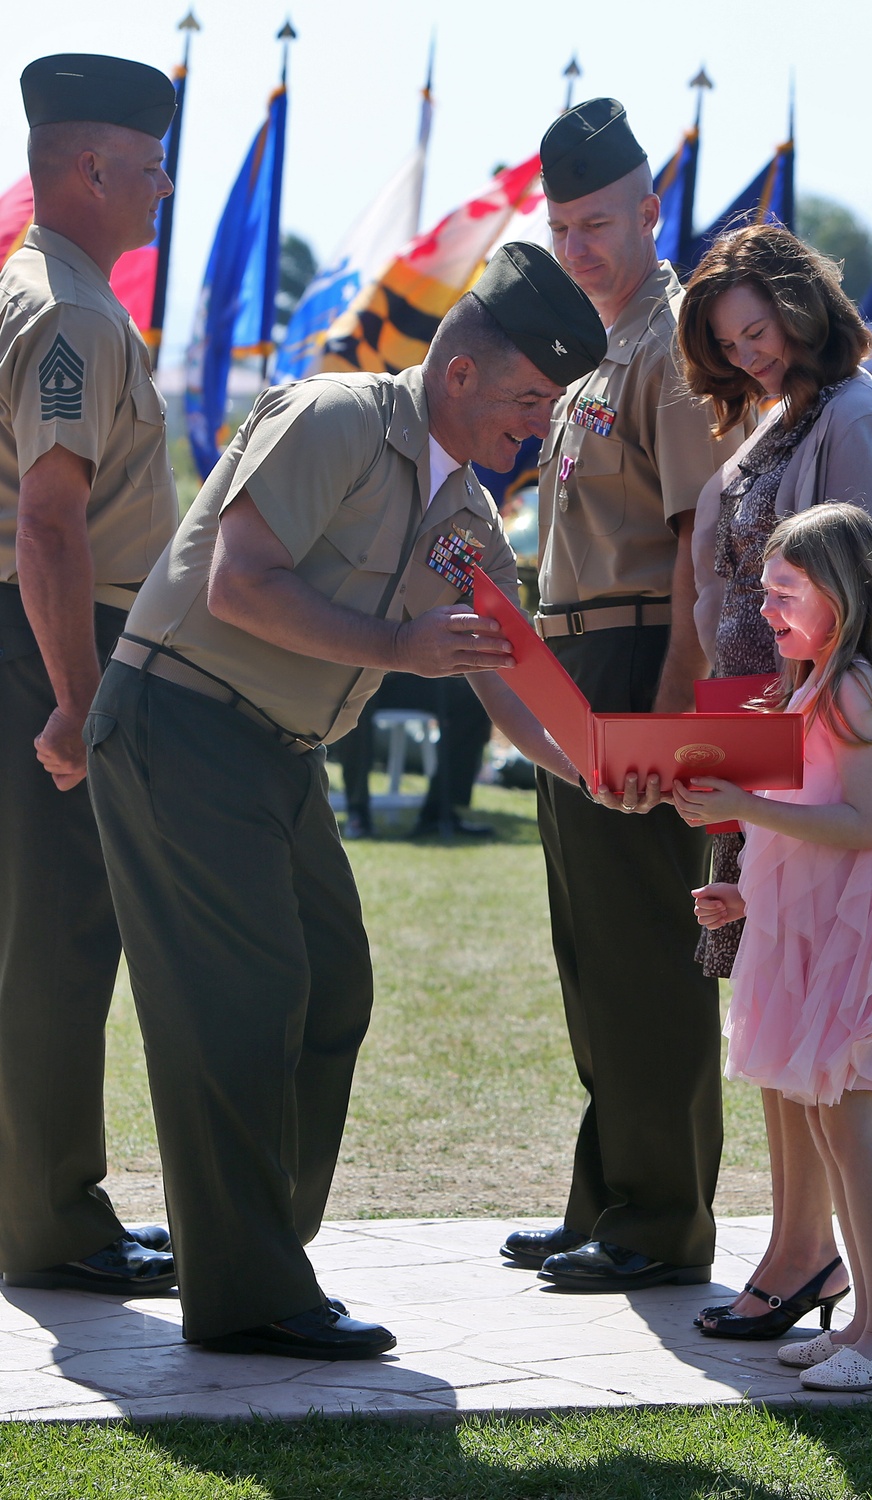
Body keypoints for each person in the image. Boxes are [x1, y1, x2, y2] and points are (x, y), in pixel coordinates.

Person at [86, 243, 608, 1359]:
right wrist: (397, 647)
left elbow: (507, 678)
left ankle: (248, 1245)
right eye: (527, 400)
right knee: (247, 1002)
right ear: (460, 372)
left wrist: (605, 771)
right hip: (178, 718)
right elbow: (239, 584)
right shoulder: (332, 417)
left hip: (276, 750)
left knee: (330, 991)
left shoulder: (467, 508)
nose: (535, 427)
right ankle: (250, 1292)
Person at [500, 98, 743, 1291]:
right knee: (591, 952)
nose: (578, 245)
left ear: (653, 210)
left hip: (646, 657)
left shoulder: (673, 343)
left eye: (598, 221)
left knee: (648, 951)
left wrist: (671, 712)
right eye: (561, 226)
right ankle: (607, 1195)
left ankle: (660, 1221)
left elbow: (700, 542)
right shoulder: (589, 351)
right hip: (574, 662)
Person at [675, 222, 872, 1338]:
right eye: (729, 343)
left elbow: (849, 583)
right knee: (771, 1006)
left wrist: (787, 723)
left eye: (759, 331)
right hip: (756, 733)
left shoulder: (856, 416)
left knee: (808, 1021)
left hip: (810, 743)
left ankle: (805, 1254)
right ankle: (792, 1247)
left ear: (801, 306)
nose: (750, 355)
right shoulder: (778, 415)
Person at [675, 503, 872, 1391]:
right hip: (811, 930)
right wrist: (745, 892)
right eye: (765, 591)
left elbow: (860, 823)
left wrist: (742, 806)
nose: (769, 609)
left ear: (845, 591)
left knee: (853, 1133)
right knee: (832, 1130)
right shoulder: (821, 680)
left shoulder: (855, 684)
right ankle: (864, 1321)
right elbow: (811, 833)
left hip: (851, 941)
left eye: (787, 591)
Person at [0, 54, 180, 1295]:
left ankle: (38, 1199)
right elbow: (50, 523)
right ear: (92, 167)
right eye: (152, 161)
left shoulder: (39, 288)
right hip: (56, 637)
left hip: (41, 632)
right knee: (60, 941)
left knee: (36, 939)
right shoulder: (68, 311)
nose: (165, 184)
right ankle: (53, 1220)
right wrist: (75, 699)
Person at [336, 671, 495, 839]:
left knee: (472, 696)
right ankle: (357, 810)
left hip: (410, 673)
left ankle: (440, 809)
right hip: (361, 675)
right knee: (353, 704)